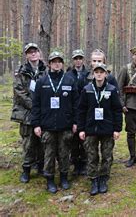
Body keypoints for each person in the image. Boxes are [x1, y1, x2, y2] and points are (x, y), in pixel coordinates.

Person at [31, 51, 79, 193]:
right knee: (49, 154)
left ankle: (64, 177)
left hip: (65, 125)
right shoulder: (42, 82)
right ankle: (50, 179)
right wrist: (36, 124)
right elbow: (36, 105)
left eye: (59, 61)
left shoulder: (70, 80)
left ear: (62, 64)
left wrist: (75, 122)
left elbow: (76, 104)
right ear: (49, 64)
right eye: (54, 61)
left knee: (64, 153)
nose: (56, 64)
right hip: (47, 126)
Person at [77, 63, 122, 195]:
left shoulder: (112, 90)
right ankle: (94, 180)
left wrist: (117, 129)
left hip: (107, 129)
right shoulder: (87, 90)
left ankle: (103, 178)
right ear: (93, 74)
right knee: (92, 155)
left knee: (107, 155)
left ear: (105, 74)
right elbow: (81, 110)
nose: (99, 74)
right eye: (96, 72)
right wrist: (81, 129)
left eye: (101, 72)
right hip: (90, 128)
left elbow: (117, 110)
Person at [11, 43, 47, 183]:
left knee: (43, 140)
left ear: (39, 53)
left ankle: (41, 166)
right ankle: (26, 169)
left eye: (35, 51)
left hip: (43, 112)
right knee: (28, 141)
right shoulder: (21, 71)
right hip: (26, 112)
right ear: (26, 55)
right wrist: (34, 106)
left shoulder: (46, 70)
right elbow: (19, 92)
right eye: (30, 52)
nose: (33, 54)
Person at [66, 49, 90, 176]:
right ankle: (76, 163)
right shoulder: (68, 75)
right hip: (72, 110)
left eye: (80, 58)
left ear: (83, 59)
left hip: (86, 111)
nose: (78, 61)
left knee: (85, 138)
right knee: (74, 139)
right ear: (73, 60)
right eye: (76, 58)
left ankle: (85, 162)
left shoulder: (89, 74)